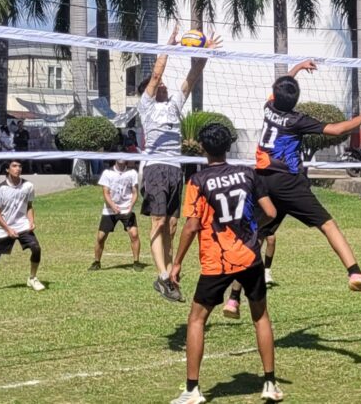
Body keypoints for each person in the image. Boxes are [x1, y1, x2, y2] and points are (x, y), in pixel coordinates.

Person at [229, 59, 361, 298]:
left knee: (258, 235)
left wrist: (299, 67)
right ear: (295, 99)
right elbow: (336, 130)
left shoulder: (269, 108)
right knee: (327, 224)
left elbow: (281, 85)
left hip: (262, 179)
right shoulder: (296, 120)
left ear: (275, 94)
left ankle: (233, 298)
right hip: (287, 182)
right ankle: (355, 273)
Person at [169, 123, 283, 403]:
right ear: (229, 145)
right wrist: (251, 229)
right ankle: (270, 384)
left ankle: (192, 390)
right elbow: (270, 212)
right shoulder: (248, 173)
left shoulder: (198, 181)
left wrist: (177, 263)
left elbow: (191, 226)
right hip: (250, 256)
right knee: (260, 317)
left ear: (203, 148)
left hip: (217, 261)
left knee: (196, 320)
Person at [137, 24, 222, 302]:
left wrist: (205, 52)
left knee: (172, 226)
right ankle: (162, 276)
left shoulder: (173, 105)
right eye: (157, 85)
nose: (162, 84)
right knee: (159, 221)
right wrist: (169, 46)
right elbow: (157, 73)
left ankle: (169, 276)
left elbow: (192, 77)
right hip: (155, 168)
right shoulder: (146, 106)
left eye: (162, 85)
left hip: (175, 169)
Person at [0, 160, 45, 291]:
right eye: (14, 166)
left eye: (20, 166)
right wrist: (8, 229)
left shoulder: (28, 186)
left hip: (22, 225)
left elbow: (29, 206)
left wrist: (31, 221)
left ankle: (32, 278)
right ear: (7, 169)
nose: (18, 169)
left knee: (36, 248)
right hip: (4, 227)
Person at [89, 159, 142, 271]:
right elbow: (106, 193)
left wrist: (131, 206)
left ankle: (136, 262)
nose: (121, 158)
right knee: (100, 237)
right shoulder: (107, 173)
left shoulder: (132, 173)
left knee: (134, 234)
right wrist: (113, 206)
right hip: (109, 210)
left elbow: (135, 192)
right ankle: (96, 262)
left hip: (126, 209)